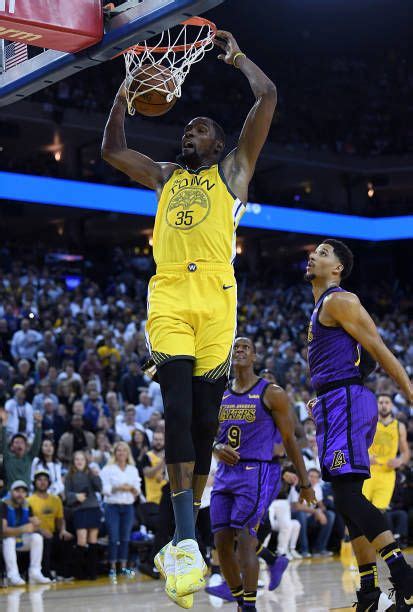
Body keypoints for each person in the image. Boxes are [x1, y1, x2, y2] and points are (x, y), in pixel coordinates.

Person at [102, 29, 277, 604]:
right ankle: (183, 540)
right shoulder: (165, 175)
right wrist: (123, 96)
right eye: (185, 127)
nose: (188, 132)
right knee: (177, 408)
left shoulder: (232, 173)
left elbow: (268, 95)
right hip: (172, 295)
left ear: (218, 141)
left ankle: (186, 535)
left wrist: (237, 56)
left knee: (205, 422)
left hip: (219, 299)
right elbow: (111, 150)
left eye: (198, 128)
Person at [305, 239, 413, 611]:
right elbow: (361, 358)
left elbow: (380, 351)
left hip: (347, 403)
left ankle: (403, 576)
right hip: (335, 402)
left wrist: (410, 394)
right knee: (343, 498)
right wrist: (329, 390)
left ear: (337, 268)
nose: (312, 256)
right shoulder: (322, 306)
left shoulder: (340, 301)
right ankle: (369, 592)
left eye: (321, 253)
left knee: (349, 496)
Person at [206, 337, 316, 612]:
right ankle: (242, 599)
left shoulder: (272, 393)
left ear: (255, 356)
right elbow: (206, 434)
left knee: (245, 539)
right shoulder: (221, 392)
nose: (239, 350)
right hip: (224, 473)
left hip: (255, 471)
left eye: (245, 347)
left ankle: (250, 606)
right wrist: (216, 447)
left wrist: (304, 482)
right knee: (221, 542)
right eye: (235, 348)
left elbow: (291, 440)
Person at [100, 442, 141, 581]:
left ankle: (123, 567)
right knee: (113, 538)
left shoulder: (132, 469)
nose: (121, 453)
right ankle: (112, 568)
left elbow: (138, 489)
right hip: (112, 506)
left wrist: (131, 488)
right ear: (115, 453)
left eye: (124, 450)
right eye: (119, 450)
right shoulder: (107, 469)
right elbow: (104, 490)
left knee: (125, 538)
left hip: (128, 507)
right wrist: (118, 487)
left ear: (128, 453)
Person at [363, 394, 410, 512]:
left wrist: (400, 461)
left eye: (387, 402)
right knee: (359, 511)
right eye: (381, 402)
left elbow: (405, 453)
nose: (384, 405)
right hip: (368, 471)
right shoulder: (368, 422)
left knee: (379, 513)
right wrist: (364, 457)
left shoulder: (399, 426)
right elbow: (355, 445)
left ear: (391, 405)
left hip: (387, 474)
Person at [1, 480, 51, 585]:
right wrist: (22, 529)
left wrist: (37, 525)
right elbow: (3, 531)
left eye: (23, 492)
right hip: (6, 541)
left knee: (37, 537)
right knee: (9, 540)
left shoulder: (27, 506)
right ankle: (12, 575)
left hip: (20, 540)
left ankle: (35, 571)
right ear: (11, 492)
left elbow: (32, 526)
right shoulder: (3, 505)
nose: (20, 494)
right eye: (17, 491)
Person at [64, 451, 102, 580]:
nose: (79, 461)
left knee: (93, 540)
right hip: (79, 510)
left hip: (93, 508)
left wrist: (96, 475)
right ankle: (79, 573)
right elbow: (66, 495)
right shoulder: (69, 476)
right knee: (81, 539)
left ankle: (92, 573)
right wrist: (75, 496)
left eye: (82, 459)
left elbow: (99, 488)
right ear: (73, 461)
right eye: (77, 459)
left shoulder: (91, 473)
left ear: (86, 461)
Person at [28, 470, 73, 579]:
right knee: (45, 540)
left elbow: (60, 518)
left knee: (67, 538)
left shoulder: (55, 499)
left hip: (53, 531)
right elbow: (28, 520)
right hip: (37, 533)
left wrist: (63, 530)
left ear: (49, 482)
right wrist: (41, 531)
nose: (42, 482)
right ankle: (46, 574)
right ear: (34, 482)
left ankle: (63, 573)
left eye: (45, 480)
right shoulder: (29, 500)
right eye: (39, 480)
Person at [0, 412, 43, 489]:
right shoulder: (7, 457)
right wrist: (4, 424)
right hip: (10, 495)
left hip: (26, 495)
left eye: (22, 442)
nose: (19, 444)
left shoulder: (29, 457)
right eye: (16, 442)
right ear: (11, 447)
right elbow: (3, 442)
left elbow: (37, 443)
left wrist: (39, 424)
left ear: (26, 447)